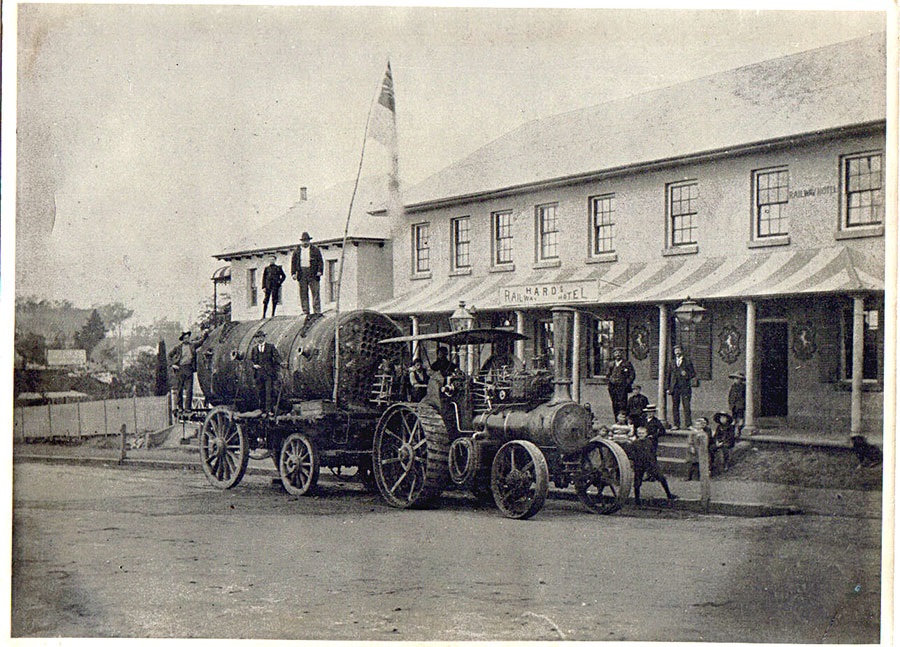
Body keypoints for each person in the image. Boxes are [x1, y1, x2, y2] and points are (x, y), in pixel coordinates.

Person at [632, 425, 678, 505]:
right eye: (639, 433)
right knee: (637, 482)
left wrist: (654, 463)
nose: (641, 435)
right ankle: (637, 499)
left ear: (646, 434)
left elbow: (653, 453)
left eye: (642, 433)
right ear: (637, 434)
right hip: (639, 464)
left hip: (650, 463)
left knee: (661, 478)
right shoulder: (634, 443)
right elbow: (632, 454)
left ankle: (669, 494)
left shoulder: (649, 442)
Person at [168, 330, 206, 413]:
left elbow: (201, 342)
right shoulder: (178, 348)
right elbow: (169, 355)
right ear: (182, 339)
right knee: (180, 389)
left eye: (188, 337)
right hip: (180, 369)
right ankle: (180, 407)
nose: (187, 339)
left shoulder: (192, 345)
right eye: (185, 338)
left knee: (189, 389)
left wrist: (205, 335)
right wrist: (172, 365)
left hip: (189, 369)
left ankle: (187, 408)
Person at [291, 231, 324, 315]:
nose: (305, 242)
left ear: (309, 241)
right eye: (304, 240)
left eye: (307, 240)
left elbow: (320, 261)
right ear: (301, 241)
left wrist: (320, 271)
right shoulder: (297, 251)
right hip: (302, 272)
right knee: (303, 292)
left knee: (315, 292)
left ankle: (317, 310)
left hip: (312, 272)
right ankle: (305, 310)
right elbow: (293, 262)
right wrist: (293, 273)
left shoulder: (315, 250)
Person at [250, 330, 282, 415]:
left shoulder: (270, 347)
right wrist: (254, 366)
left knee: (269, 392)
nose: (259, 339)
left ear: (264, 337)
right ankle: (262, 409)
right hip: (259, 374)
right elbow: (251, 361)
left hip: (268, 373)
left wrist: (281, 363)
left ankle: (269, 410)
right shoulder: (254, 349)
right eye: (257, 338)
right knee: (261, 392)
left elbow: (276, 356)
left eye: (261, 337)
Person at [666, 345, 696, 429]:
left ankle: (688, 424)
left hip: (685, 387)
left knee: (686, 406)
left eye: (678, 350)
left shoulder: (687, 361)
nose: (677, 352)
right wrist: (668, 387)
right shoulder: (671, 362)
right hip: (675, 387)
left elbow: (693, 373)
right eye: (675, 350)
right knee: (675, 406)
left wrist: (686, 374)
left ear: (682, 351)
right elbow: (668, 375)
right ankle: (676, 424)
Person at [605, 347, 635, 418]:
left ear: (622, 354)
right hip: (613, 387)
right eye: (616, 353)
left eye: (619, 353)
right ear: (613, 354)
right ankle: (617, 419)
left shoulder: (627, 363)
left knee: (622, 404)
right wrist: (610, 380)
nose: (617, 354)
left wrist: (626, 383)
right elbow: (607, 375)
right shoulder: (611, 364)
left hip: (622, 387)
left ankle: (623, 420)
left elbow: (632, 375)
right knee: (615, 404)